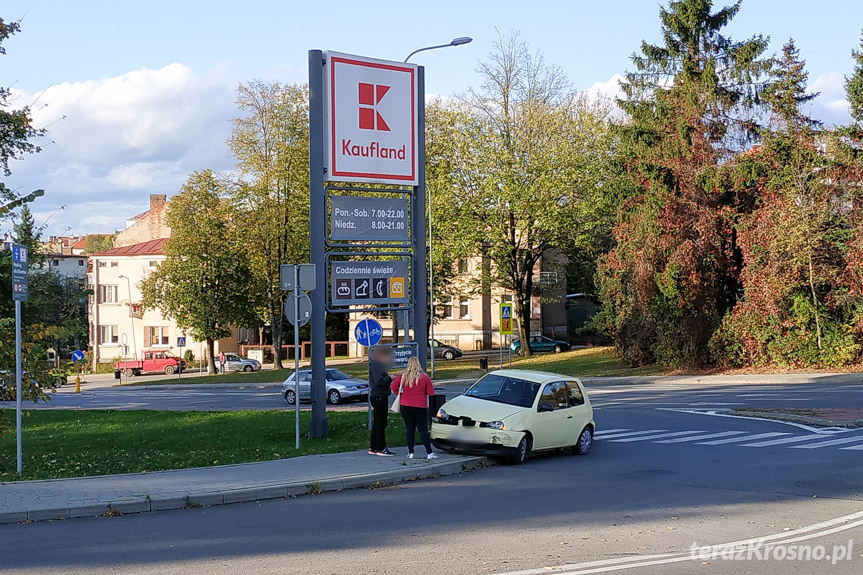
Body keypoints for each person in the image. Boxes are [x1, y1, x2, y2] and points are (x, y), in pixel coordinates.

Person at [391, 356, 437, 460]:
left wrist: (400, 394)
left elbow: (393, 386)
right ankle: (429, 453)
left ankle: (411, 452)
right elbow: (431, 392)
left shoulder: (403, 376)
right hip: (420, 405)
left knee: (409, 428)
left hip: (405, 405)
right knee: (423, 429)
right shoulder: (424, 377)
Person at [368, 347, 395, 456]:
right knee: (381, 423)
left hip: (378, 396)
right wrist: (390, 378)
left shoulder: (376, 366)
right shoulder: (376, 366)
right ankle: (381, 448)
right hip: (379, 396)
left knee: (377, 423)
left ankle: (374, 447)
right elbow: (379, 381)